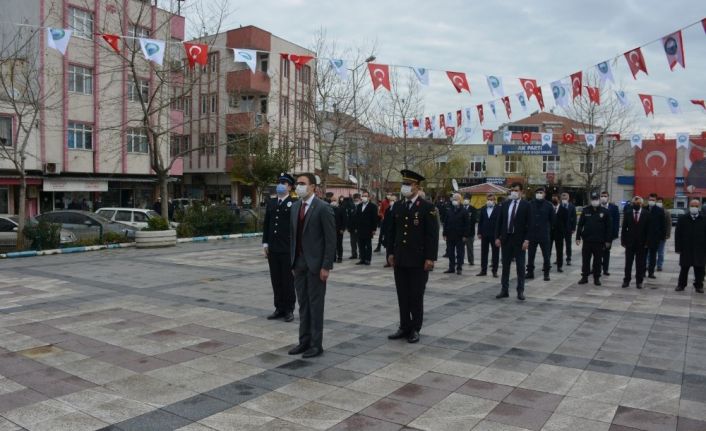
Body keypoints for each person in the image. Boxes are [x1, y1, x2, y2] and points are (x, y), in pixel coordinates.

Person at [387, 170, 439, 343]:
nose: (405, 187)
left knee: (416, 295)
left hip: (418, 259)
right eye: (404, 184)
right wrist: (390, 253)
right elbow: (392, 232)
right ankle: (404, 326)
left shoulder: (427, 207)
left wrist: (430, 258)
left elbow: (432, 235)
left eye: (408, 184)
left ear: (417, 186)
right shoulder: (398, 206)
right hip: (401, 258)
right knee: (402, 294)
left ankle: (415, 328)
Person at [288, 173, 336, 358]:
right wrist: (292, 261)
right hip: (299, 263)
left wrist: (326, 266)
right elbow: (293, 236)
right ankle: (304, 341)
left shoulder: (323, 208)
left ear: (313, 187)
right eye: (297, 184)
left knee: (316, 305)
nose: (298, 186)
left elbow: (330, 240)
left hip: (316, 265)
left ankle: (316, 345)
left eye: (302, 183)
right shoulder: (295, 207)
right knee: (303, 304)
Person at [262, 173, 297, 322]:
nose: (280, 185)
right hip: (273, 249)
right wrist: (265, 243)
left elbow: (296, 228)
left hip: (287, 249)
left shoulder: (294, 203)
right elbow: (267, 224)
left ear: (289, 186)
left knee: (288, 281)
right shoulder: (271, 202)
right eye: (279, 182)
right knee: (276, 279)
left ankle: (289, 309)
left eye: (284, 182)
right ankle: (279, 308)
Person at [495, 182, 532, 301]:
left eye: (516, 190)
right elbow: (499, 222)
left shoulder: (526, 205)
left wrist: (527, 239)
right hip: (506, 239)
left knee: (520, 267)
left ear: (521, 192)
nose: (513, 192)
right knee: (505, 266)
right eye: (512, 190)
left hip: (519, 240)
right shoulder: (505, 204)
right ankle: (504, 290)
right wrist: (497, 237)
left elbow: (529, 225)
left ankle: (520, 291)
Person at [576, 193, 611, 286]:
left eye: (596, 199)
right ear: (591, 200)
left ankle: (597, 278)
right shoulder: (586, 210)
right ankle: (584, 277)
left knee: (598, 261)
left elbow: (608, 227)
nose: (594, 201)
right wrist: (578, 237)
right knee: (586, 260)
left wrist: (608, 240)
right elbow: (580, 225)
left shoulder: (605, 211)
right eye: (593, 199)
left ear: (599, 200)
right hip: (587, 240)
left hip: (599, 241)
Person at [674, 199, 705, 293]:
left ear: (699, 207)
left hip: (700, 249)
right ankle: (681, 285)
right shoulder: (683, 218)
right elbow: (677, 234)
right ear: (689, 206)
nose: (694, 208)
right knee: (684, 268)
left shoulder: (704, 219)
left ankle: (699, 286)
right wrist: (678, 248)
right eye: (692, 206)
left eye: (696, 206)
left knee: (699, 268)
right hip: (686, 248)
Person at [621, 196, 651, 289]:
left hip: (641, 243)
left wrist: (647, 242)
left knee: (640, 264)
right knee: (628, 263)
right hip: (630, 243)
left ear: (641, 204)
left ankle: (639, 281)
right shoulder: (628, 213)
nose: (636, 205)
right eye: (635, 203)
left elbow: (649, 230)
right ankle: (626, 280)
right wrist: (623, 240)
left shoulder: (646, 214)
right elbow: (624, 228)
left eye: (638, 203)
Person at [526, 186, 554, 281]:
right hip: (532, 234)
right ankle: (530, 272)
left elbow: (553, 220)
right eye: (538, 192)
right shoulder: (529, 204)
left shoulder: (549, 205)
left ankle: (546, 273)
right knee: (530, 255)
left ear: (545, 194)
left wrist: (549, 230)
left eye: (541, 192)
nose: (539, 194)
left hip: (544, 234)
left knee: (546, 255)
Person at [443, 193, 469, 275]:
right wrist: (444, 233)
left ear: (460, 200)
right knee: (450, 252)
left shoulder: (464, 211)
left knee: (460, 253)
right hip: (450, 235)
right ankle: (451, 267)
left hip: (460, 236)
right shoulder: (449, 210)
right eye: (453, 199)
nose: (454, 200)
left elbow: (467, 224)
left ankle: (459, 268)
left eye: (456, 199)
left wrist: (465, 235)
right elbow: (445, 222)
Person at [477, 193, 500, 277]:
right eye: (488, 199)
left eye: (491, 199)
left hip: (495, 235)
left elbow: (500, 222)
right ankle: (483, 270)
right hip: (485, 234)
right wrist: (479, 232)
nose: (489, 201)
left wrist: (499, 235)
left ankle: (495, 271)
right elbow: (480, 221)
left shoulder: (499, 209)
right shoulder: (483, 208)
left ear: (494, 200)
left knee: (495, 253)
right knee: (484, 253)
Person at [644, 193, 666, 279]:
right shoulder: (644, 209)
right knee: (643, 256)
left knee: (653, 256)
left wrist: (662, 237)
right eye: (650, 200)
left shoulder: (659, 211)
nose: (651, 201)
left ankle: (651, 272)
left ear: (656, 201)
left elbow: (663, 225)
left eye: (653, 200)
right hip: (644, 237)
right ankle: (642, 272)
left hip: (655, 238)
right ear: (647, 200)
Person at [352, 191, 378, 265]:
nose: (364, 197)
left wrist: (374, 229)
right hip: (360, 229)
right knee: (361, 245)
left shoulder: (373, 206)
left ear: (369, 197)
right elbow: (356, 217)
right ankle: (362, 259)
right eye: (363, 196)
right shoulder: (359, 206)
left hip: (368, 229)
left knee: (368, 245)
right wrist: (356, 227)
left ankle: (368, 259)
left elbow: (374, 218)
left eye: (365, 196)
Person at [599, 191, 620, 276]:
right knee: (597, 252)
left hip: (609, 234)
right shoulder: (597, 207)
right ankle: (596, 268)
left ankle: (605, 269)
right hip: (598, 234)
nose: (603, 197)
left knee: (606, 252)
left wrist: (615, 234)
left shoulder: (614, 208)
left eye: (605, 196)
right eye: (602, 196)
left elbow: (616, 221)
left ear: (608, 197)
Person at [549, 196, 569, 273]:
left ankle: (559, 266)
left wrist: (564, 232)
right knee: (548, 250)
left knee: (559, 250)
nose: (554, 200)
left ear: (558, 199)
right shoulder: (549, 209)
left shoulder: (564, 210)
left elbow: (565, 222)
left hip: (559, 233)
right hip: (550, 232)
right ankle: (546, 264)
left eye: (555, 198)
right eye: (553, 198)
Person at [654, 196, 672, 272]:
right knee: (650, 252)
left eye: (660, 202)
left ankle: (659, 265)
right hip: (653, 235)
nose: (659, 203)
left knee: (660, 252)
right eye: (658, 201)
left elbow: (669, 223)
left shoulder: (666, 212)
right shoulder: (652, 211)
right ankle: (648, 264)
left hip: (662, 235)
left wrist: (668, 234)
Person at [560, 192, 577, 266]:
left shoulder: (572, 206)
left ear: (568, 198)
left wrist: (573, 228)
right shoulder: (558, 205)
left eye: (565, 198)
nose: (564, 199)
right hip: (559, 229)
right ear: (561, 198)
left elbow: (574, 218)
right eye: (563, 198)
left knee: (568, 244)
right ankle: (559, 259)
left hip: (568, 228)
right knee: (559, 244)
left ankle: (568, 258)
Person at [381, 194, 397, 267]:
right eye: (391, 200)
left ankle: (395, 261)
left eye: (393, 200)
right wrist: (383, 231)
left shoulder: (398, 209)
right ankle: (388, 261)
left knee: (395, 247)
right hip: (388, 231)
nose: (392, 202)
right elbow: (385, 221)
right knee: (388, 246)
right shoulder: (387, 209)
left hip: (396, 232)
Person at [463, 194, 478, 266]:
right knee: (460, 248)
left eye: (467, 199)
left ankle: (471, 260)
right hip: (461, 233)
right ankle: (460, 260)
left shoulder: (473, 209)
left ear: (470, 200)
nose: (465, 200)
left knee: (470, 248)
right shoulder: (461, 208)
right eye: (464, 198)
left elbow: (474, 220)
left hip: (470, 233)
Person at [332, 197, 347, 263]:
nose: (333, 202)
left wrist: (343, 229)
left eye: (335, 200)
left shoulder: (341, 208)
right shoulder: (328, 208)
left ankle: (340, 257)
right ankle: (333, 257)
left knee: (339, 244)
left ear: (337, 201)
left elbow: (344, 219)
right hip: (331, 230)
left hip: (339, 230)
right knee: (332, 244)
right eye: (332, 200)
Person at [346, 193, 361, 260]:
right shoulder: (351, 206)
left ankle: (361, 254)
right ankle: (354, 254)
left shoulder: (361, 206)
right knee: (353, 242)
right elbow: (348, 217)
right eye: (355, 198)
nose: (356, 199)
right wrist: (348, 227)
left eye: (357, 198)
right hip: (352, 228)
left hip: (360, 228)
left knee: (360, 242)